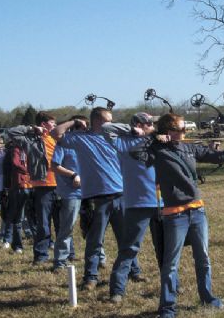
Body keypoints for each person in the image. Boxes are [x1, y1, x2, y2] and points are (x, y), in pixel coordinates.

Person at [152, 113, 224, 317]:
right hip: (174, 215)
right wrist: (153, 138)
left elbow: (217, 157)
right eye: (180, 129)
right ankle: (167, 308)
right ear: (168, 131)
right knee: (171, 263)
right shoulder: (156, 149)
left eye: (184, 130)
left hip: (197, 211)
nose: (184, 133)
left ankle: (207, 297)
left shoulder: (190, 148)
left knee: (203, 258)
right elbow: (134, 152)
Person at [51, 107, 124, 290]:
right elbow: (55, 133)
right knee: (94, 240)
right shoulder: (81, 138)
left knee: (126, 239)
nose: (111, 124)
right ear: (97, 121)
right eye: (108, 121)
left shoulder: (114, 138)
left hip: (121, 194)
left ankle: (133, 271)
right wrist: (74, 123)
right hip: (98, 197)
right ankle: (91, 276)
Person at [102, 112, 163, 303]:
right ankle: (117, 291)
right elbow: (106, 128)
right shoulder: (124, 142)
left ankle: (171, 287)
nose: (152, 127)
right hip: (137, 203)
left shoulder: (156, 142)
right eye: (148, 124)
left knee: (164, 249)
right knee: (129, 249)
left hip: (161, 202)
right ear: (138, 124)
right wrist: (131, 130)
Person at [9, 111, 59, 265]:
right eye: (52, 123)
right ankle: (41, 255)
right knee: (43, 224)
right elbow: (11, 132)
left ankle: (66, 254)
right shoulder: (30, 138)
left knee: (61, 223)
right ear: (43, 124)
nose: (55, 126)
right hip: (42, 186)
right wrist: (32, 129)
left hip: (61, 184)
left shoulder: (57, 137)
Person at [51, 115, 88, 271]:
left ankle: (99, 258)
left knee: (93, 227)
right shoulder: (64, 144)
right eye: (82, 127)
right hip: (71, 193)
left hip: (90, 191)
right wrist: (73, 174)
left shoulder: (87, 143)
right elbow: (55, 166)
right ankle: (60, 261)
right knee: (67, 227)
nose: (85, 129)